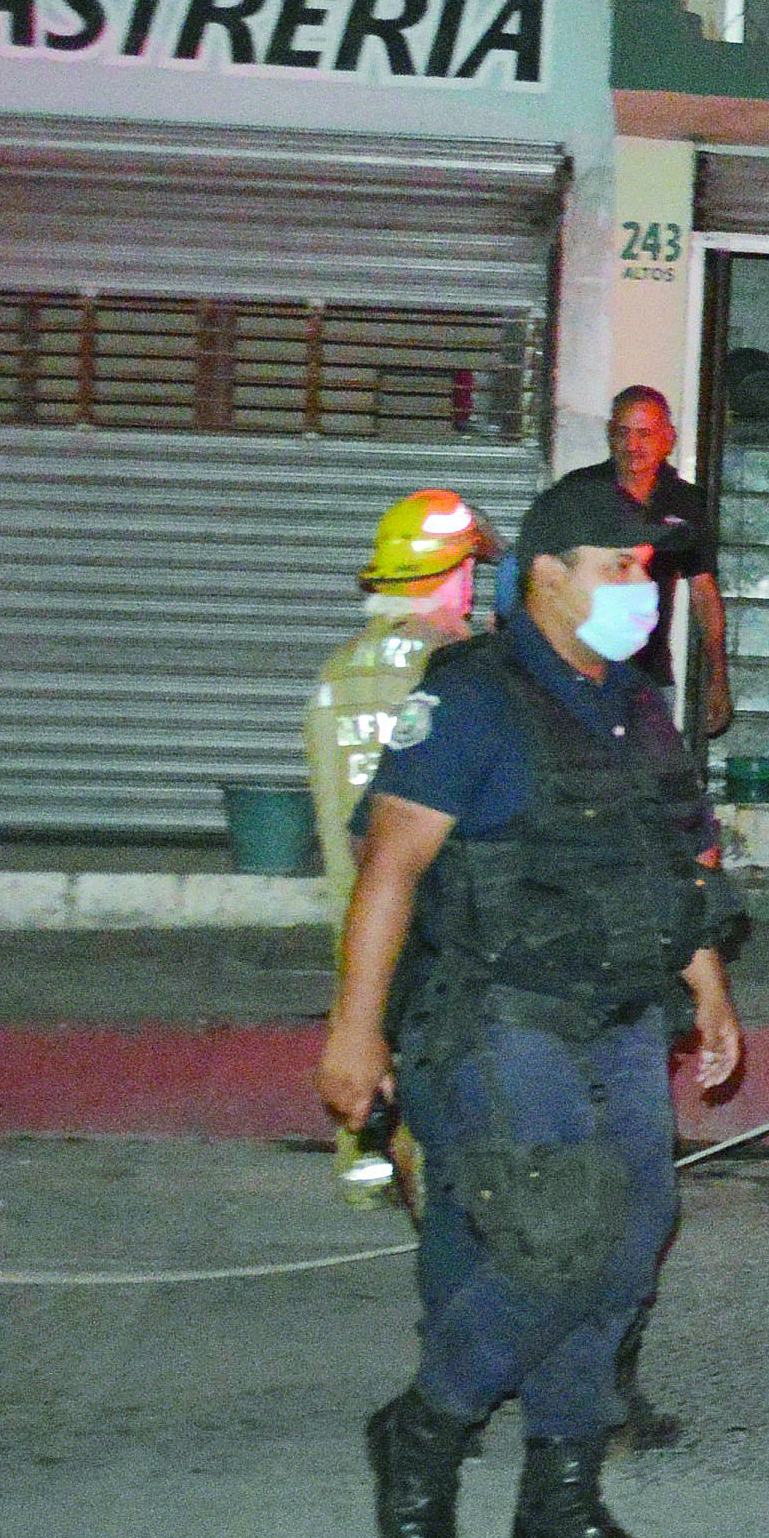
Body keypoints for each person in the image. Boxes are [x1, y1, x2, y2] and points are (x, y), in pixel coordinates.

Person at [318, 472, 746, 1538]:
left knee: (632, 1236)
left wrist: (708, 988)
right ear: (547, 576)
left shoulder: (635, 706)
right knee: (560, 1239)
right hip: (502, 1010)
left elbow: (672, 861)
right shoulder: (471, 698)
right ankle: (427, 1426)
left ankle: (561, 1502)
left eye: (647, 573)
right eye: (620, 570)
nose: (640, 593)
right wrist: (354, 1035)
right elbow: (391, 867)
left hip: (618, 1013)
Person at [305, 487, 501, 1207]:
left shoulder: (337, 672)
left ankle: (360, 1168)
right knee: (429, 1028)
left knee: (360, 1005)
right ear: (455, 575)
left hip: (350, 906)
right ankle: (427, 1185)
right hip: (430, 910)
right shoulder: (460, 671)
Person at [558, 386, 726, 739]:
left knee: (650, 787)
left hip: (648, 681)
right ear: (610, 436)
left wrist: (718, 675)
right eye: (624, 433)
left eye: (645, 434)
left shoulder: (686, 503)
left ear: (668, 439)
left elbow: (703, 592)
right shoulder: (578, 493)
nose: (633, 446)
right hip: (579, 675)